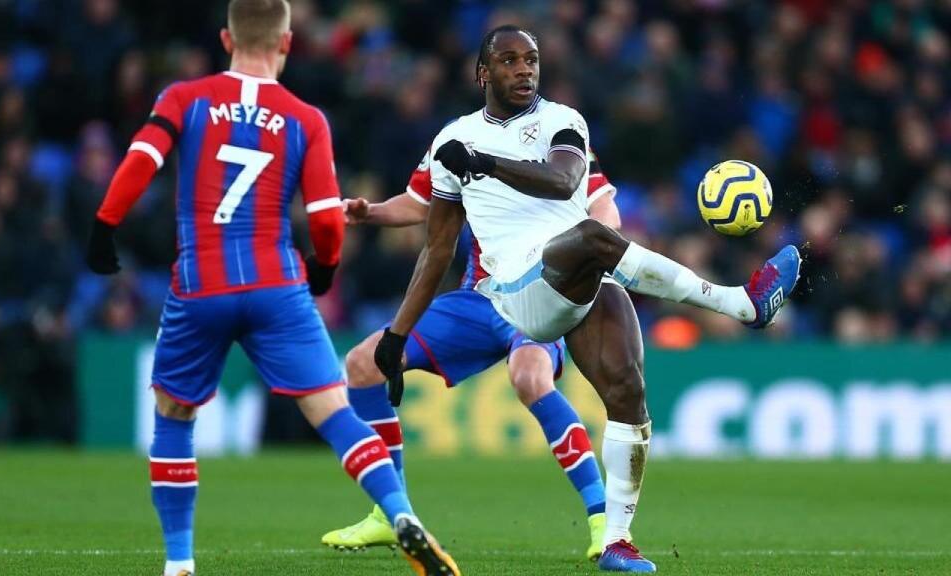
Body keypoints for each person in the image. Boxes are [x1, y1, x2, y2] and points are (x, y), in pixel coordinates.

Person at [373, 25, 802, 573]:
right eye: (508, 61)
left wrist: (486, 163)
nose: (524, 69)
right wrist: (397, 334)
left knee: (628, 393)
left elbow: (562, 179)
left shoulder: (561, 121)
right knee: (595, 241)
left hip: (575, 272)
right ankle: (744, 305)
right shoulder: (449, 142)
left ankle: (618, 542)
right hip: (513, 292)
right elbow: (436, 250)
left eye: (531, 59)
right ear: (483, 73)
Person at [84, 2, 459, 575]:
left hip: (201, 280)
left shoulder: (184, 98)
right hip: (276, 283)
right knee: (334, 411)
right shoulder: (306, 118)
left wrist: (105, 225)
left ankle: (180, 563)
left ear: (225, 38)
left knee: (173, 413)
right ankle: (401, 512)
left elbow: (143, 158)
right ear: (287, 44)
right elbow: (327, 217)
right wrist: (326, 268)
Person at [321, 147, 643, 563]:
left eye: (528, 74)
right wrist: (369, 213)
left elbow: (607, 214)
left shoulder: (563, 139)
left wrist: (581, 260)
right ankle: (390, 512)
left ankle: (603, 521)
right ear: (484, 77)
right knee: (364, 364)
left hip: (538, 296)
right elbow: (419, 203)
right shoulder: (459, 140)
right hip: (479, 298)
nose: (523, 77)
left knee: (529, 377)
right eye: (511, 73)